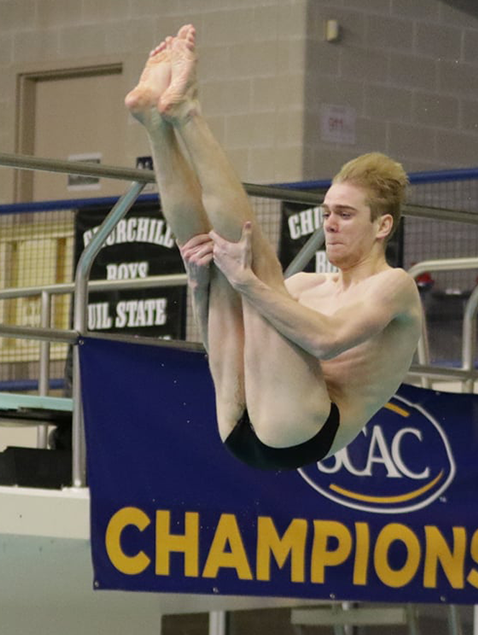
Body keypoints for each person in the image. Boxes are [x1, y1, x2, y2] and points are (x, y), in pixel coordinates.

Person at [125, 25, 423, 470]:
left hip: (303, 430)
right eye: (326, 213)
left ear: (382, 225)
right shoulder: (305, 285)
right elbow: (223, 343)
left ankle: (185, 112)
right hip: (237, 420)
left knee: (252, 261)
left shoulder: (393, 287)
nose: (330, 226)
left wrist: (247, 280)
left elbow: (327, 341)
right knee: (211, 252)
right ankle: (155, 121)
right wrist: (199, 283)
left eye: (345, 214)